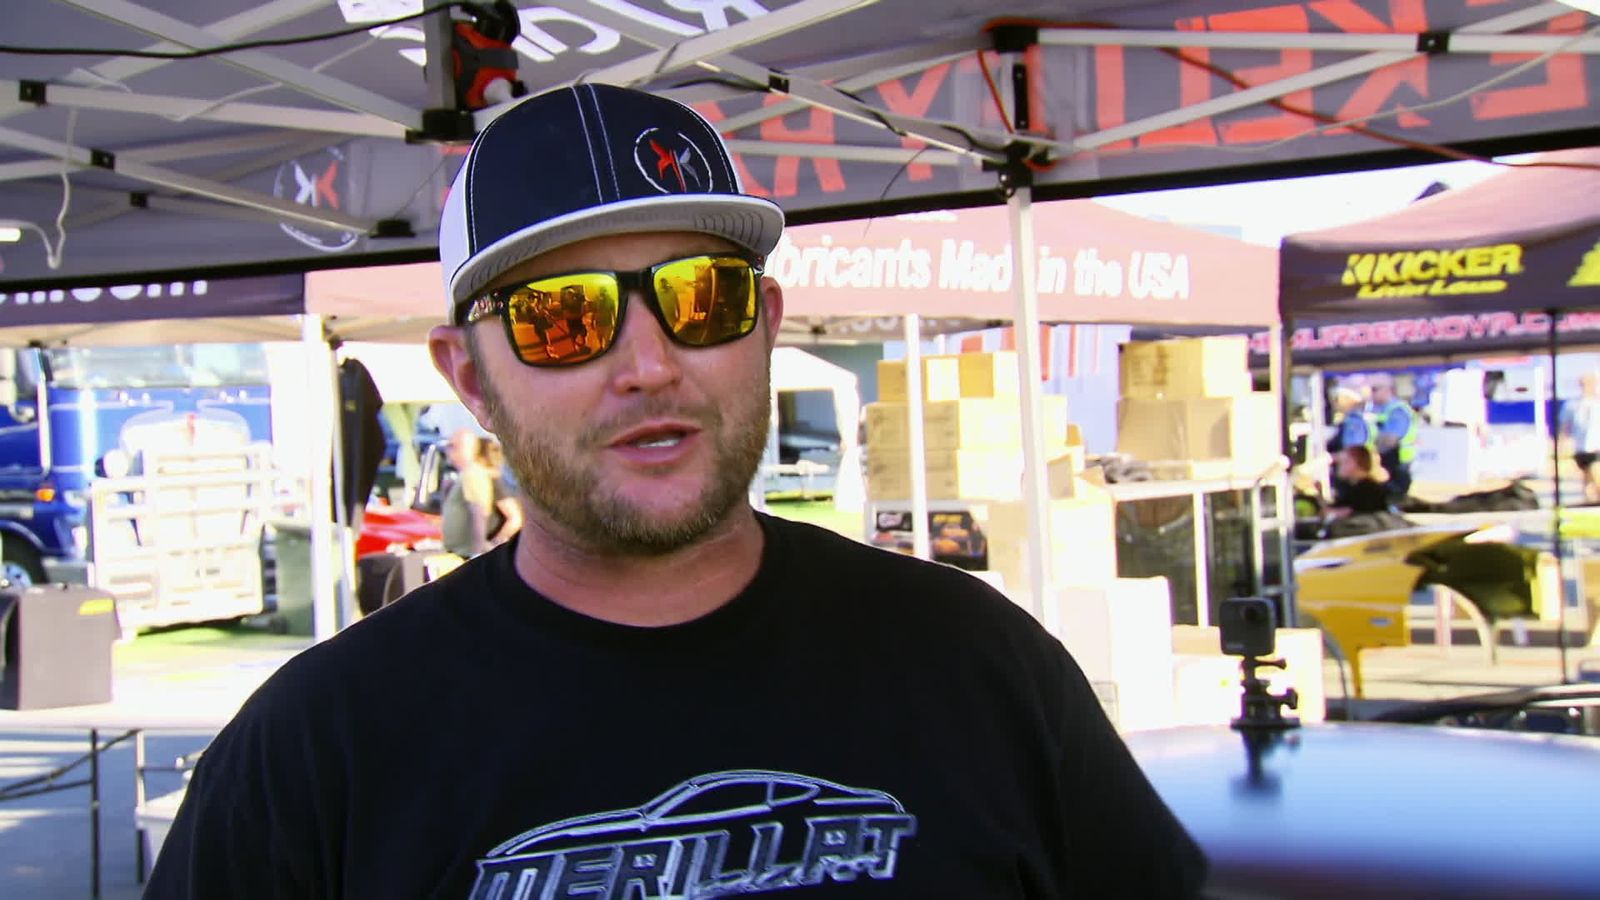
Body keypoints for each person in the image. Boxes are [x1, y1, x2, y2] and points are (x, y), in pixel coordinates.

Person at [145, 84, 1206, 897]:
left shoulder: (984, 670)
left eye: (702, 297)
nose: (650, 365)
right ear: (468, 377)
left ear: (766, 325)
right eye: (562, 316)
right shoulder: (315, 753)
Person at [441, 428, 521, 558]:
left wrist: (479, 551)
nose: (448, 452)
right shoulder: (468, 475)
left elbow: (479, 512)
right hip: (461, 552)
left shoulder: (473, 474)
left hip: (468, 554)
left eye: (452, 446)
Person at [1369, 374, 1417, 503]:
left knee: (1393, 499)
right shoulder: (1382, 410)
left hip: (1397, 464)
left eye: (1375, 389)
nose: (1371, 394)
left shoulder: (1397, 411)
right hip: (1388, 463)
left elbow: (1390, 440)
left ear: (1388, 389)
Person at [1563, 372, 1600, 504]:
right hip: (1581, 446)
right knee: (1587, 478)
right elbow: (1565, 426)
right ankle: (1589, 502)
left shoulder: (1597, 403)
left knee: (1596, 474)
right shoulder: (1573, 405)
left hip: (1596, 445)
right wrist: (1564, 445)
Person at [1327, 445, 1390, 519]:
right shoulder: (1352, 486)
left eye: (1345, 461)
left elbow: (1340, 513)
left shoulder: (1367, 490)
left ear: (1357, 464)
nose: (1339, 465)